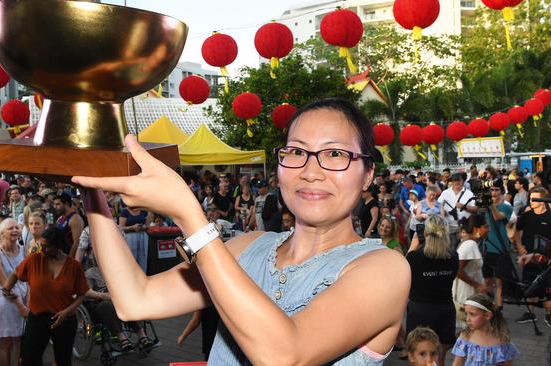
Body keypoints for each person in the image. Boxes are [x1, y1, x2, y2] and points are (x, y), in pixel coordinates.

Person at [74, 98, 410, 364]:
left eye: (335, 154)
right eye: (296, 152)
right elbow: (135, 299)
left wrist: (190, 215)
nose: (310, 171)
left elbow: (284, 355)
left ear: (368, 174)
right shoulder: (247, 247)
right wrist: (91, 187)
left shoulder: (383, 269)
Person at [3, 227, 88, 366]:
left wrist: (66, 312)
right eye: (40, 246)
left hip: (64, 319)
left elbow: (82, 294)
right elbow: (15, 273)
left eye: (46, 247)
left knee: (63, 360)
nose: (42, 250)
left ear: (58, 246)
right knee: (29, 360)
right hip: (37, 317)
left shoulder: (74, 266)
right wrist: (6, 289)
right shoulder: (34, 259)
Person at [406, 214, 459, 366]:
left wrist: (413, 245)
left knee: (418, 356)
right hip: (445, 310)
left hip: (420, 311)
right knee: (439, 357)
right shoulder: (453, 257)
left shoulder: (415, 258)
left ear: (425, 233)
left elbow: (401, 274)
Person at [514, 186, 551, 325]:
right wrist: (519, 246)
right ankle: (530, 313)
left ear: (542, 200)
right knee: (529, 284)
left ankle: (549, 314)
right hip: (528, 257)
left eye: (534, 198)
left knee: (549, 287)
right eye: (530, 198)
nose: (531, 201)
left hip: (546, 259)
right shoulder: (526, 215)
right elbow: (516, 231)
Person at [0, 218, 28, 366]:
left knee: (18, 341)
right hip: (6, 303)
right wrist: (20, 306)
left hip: (24, 302)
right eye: (10, 228)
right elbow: (5, 285)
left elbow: (30, 280)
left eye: (17, 228)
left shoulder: (23, 250)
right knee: (5, 343)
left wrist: (28, 303)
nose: (15, 231)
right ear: (2, 233)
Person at [451, 293, 519, 365]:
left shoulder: (502, 340)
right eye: (466, 314)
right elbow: (457, 363)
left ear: (487, 315)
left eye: (472, 314)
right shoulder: (465, 337)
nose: (467, 319)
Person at [452, 215, 488, 328]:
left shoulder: (471, 243)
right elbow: (457, 270)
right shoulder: (470, 245)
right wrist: (477, 285)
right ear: (477, 229)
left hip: (470, 290)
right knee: (468, 327)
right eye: (486, 226)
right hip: (467, 292)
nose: (488, 229)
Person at [481, 184, 513, 310]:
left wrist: (490, 204)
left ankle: (499, 307)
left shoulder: (506, 207)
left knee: (499, 281)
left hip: (501, 248)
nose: (493, 192)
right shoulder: (486, 206)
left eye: (496, 189)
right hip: (488, 248)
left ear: (501, 192)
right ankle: (486, 305)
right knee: (487, 279)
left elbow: (497, 216)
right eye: (492, 190)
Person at [119, 206, 150, 273]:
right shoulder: (124, 212)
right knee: (131, 259)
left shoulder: (144, 211)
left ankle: (143, 278)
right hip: (130, 237)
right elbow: (121, 227)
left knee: (143, 259)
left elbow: (148, 225)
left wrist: (143, 227)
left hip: (143, 236)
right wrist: (132, 227)